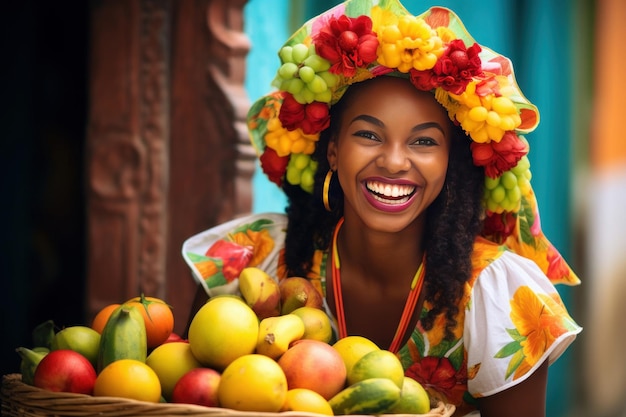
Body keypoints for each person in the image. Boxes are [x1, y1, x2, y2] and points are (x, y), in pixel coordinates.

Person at [182, 1, 582, 416]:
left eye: (424, 141)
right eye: (369, 135)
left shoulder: (495, 296)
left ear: (451, 165)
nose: (393, 161)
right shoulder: (257, 259)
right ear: (333, 151)